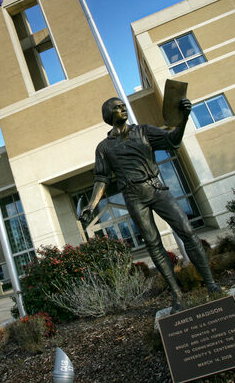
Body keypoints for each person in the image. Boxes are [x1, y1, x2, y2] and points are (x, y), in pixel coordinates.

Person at [81, 97, 220, 310]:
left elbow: (172, 140)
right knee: (154, 245)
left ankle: (211, 284)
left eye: (123, 106)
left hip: (156, 189)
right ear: (109, 115)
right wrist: (91, 205)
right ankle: (177, 295)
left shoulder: (143, 131)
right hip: (133, 197)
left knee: (188, 232)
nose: (122, 109)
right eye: (117, 108)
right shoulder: (104, 147)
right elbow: (101, 178)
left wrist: (184, 119)